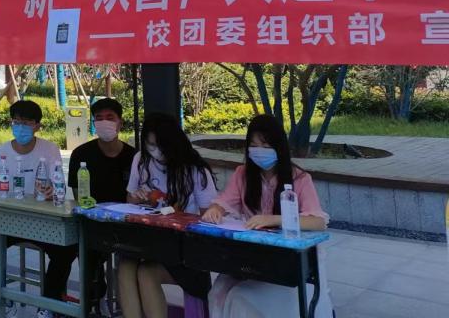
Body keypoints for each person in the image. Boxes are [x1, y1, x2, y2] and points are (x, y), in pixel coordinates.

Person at [202, 114, 333, 318]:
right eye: (254, 146)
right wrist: (215, 210)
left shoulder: (299, 178)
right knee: (217, 294)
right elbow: (224, 201)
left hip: (287, 262)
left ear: (279, 147)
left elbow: (318, 222)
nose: (259, 152)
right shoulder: (243, 174)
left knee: (240, 298)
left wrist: (273, 219)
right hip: (253, 257)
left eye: (265, 146)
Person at [0, 100, 71, 318]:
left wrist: (52, 192)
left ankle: (50, 304)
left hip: (42, 222)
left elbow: (59, 186)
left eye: (26, 122)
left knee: (67, 249)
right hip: (8, 222)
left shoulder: (49, 150)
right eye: (16, 122)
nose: (20, 127)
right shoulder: (2, 151)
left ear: (37, 126)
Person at [118, 112, 218, 318]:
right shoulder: (141, 160)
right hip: (149, 238)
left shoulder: (195, 170)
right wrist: (138, 198)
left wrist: (179, 215)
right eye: (150, 145)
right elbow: (129, 200)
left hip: (184, 248)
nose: (156, 151)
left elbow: (208, 217)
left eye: (160, 145)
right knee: (125, 266)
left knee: (146, 273)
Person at [56, 97, 136, 309]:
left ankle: (127, 303)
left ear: (120, 123)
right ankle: (93, 300)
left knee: (133, 261)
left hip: (127, 223)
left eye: (110, 117)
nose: (104, 122)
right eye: (99, 118)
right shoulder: (81, 154)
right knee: (82, 248)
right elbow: (77, 194)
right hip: (91, 220)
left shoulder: (134, 157)